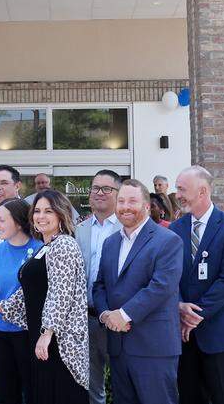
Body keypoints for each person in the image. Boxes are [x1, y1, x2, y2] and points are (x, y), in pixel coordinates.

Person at [0, 190, 89, 402]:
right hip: (42, 339)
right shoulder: (45, 248)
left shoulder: (63, 244)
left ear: (61, 214)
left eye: (48, 211)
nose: (41, 216)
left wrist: (47, 333)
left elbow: (60, 293)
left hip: (59, 343)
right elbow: (26, 292)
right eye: (37, 211)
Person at [91, 181, 183, 404]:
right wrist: (105, 315)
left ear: (146, 205)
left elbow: (161, 286)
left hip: (153, 346)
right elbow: (100, 284)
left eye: (132, 201)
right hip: (119, 345)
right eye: (121, 201)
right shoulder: (111, 243)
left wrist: (123, 314)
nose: (125, 207)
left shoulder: (168, 240)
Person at [171, 166, 224, 404]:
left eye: (182, 189)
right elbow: (167, 276)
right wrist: (178, 305)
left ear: (202, 191)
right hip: (185, 340)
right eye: (177, 188)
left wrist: (194, 315)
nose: (177, 194)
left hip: (223, 336)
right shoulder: (175, 230)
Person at [0, 199, 42, 404]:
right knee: (5, 393)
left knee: (34, 392)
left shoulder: (42, 251)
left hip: (29, 335)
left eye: (2, 220)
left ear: (19, 223)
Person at [76, 169, 122, 404]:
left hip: (118, 319)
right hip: (86, 319)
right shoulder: (79, 229)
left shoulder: (126, 229)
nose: (99, 193)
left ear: (118, 193)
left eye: (107, 188)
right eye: (95, 188)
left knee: (124, 382)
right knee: (92, 386)